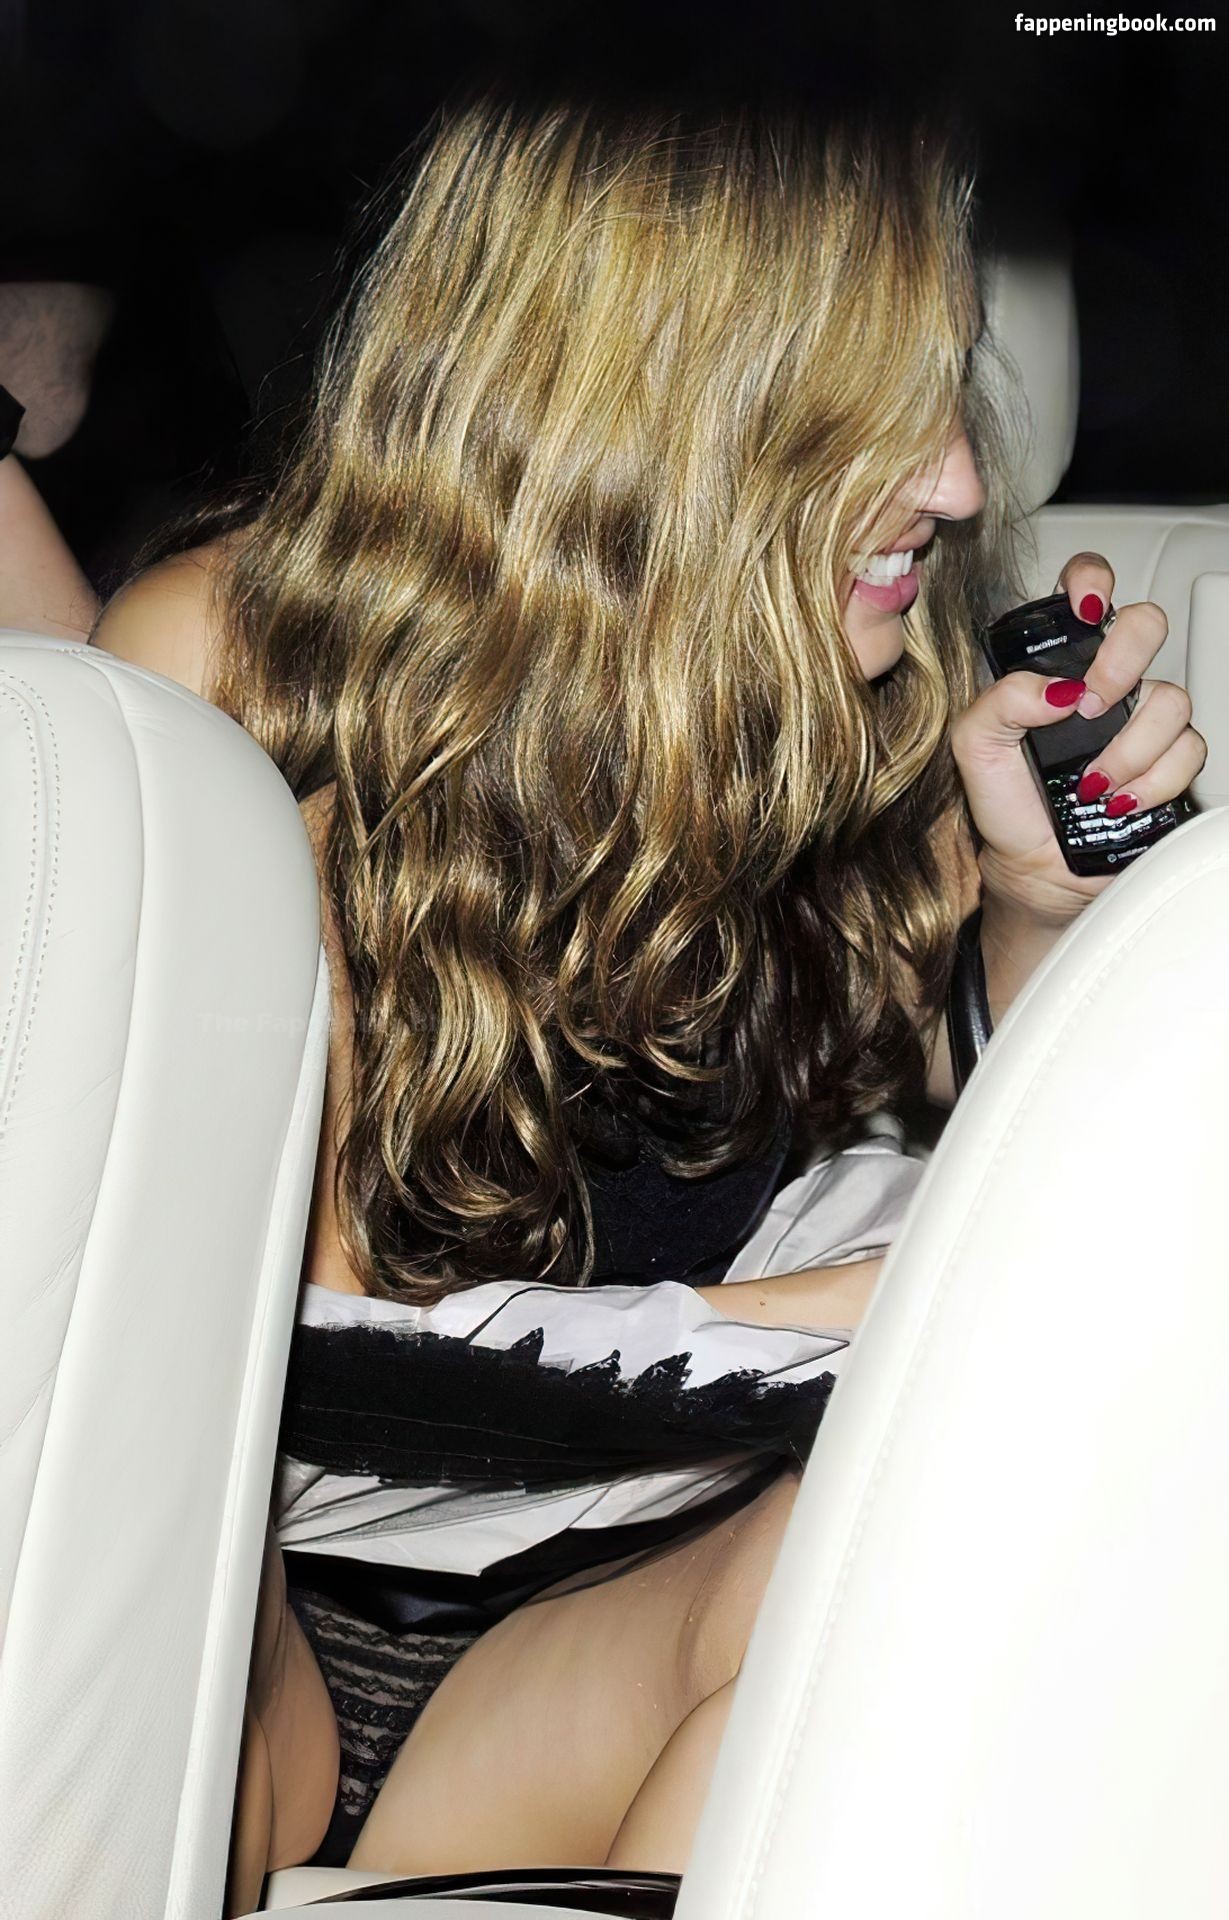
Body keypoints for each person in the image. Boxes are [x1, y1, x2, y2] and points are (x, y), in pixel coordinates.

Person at [21, 88, 1204, 1912]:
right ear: (658, 391)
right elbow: (286, 1330)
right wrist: (862, 1303)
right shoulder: (241, 658)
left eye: (943, 389)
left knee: (963, 1535)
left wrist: (1038, 908)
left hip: (611, 1627)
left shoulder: (861, 684)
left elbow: (951, 1138)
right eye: (865, 405)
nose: (960, 482)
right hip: (262, 1650)